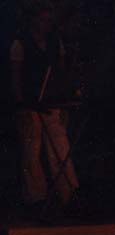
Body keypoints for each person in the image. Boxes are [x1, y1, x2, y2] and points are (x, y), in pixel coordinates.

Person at [10, 0, 79, 211]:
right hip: (30, 106)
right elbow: (16, 79)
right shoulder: (20, 43)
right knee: (32, 150)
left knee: (60, 147)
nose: (47, 24)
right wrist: (22, 105)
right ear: (33, 19)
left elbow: (61, 72)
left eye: (49, 20)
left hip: (51, 103)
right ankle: (36, 197)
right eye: (43, 19)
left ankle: (69, 194)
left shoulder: (54, 41)